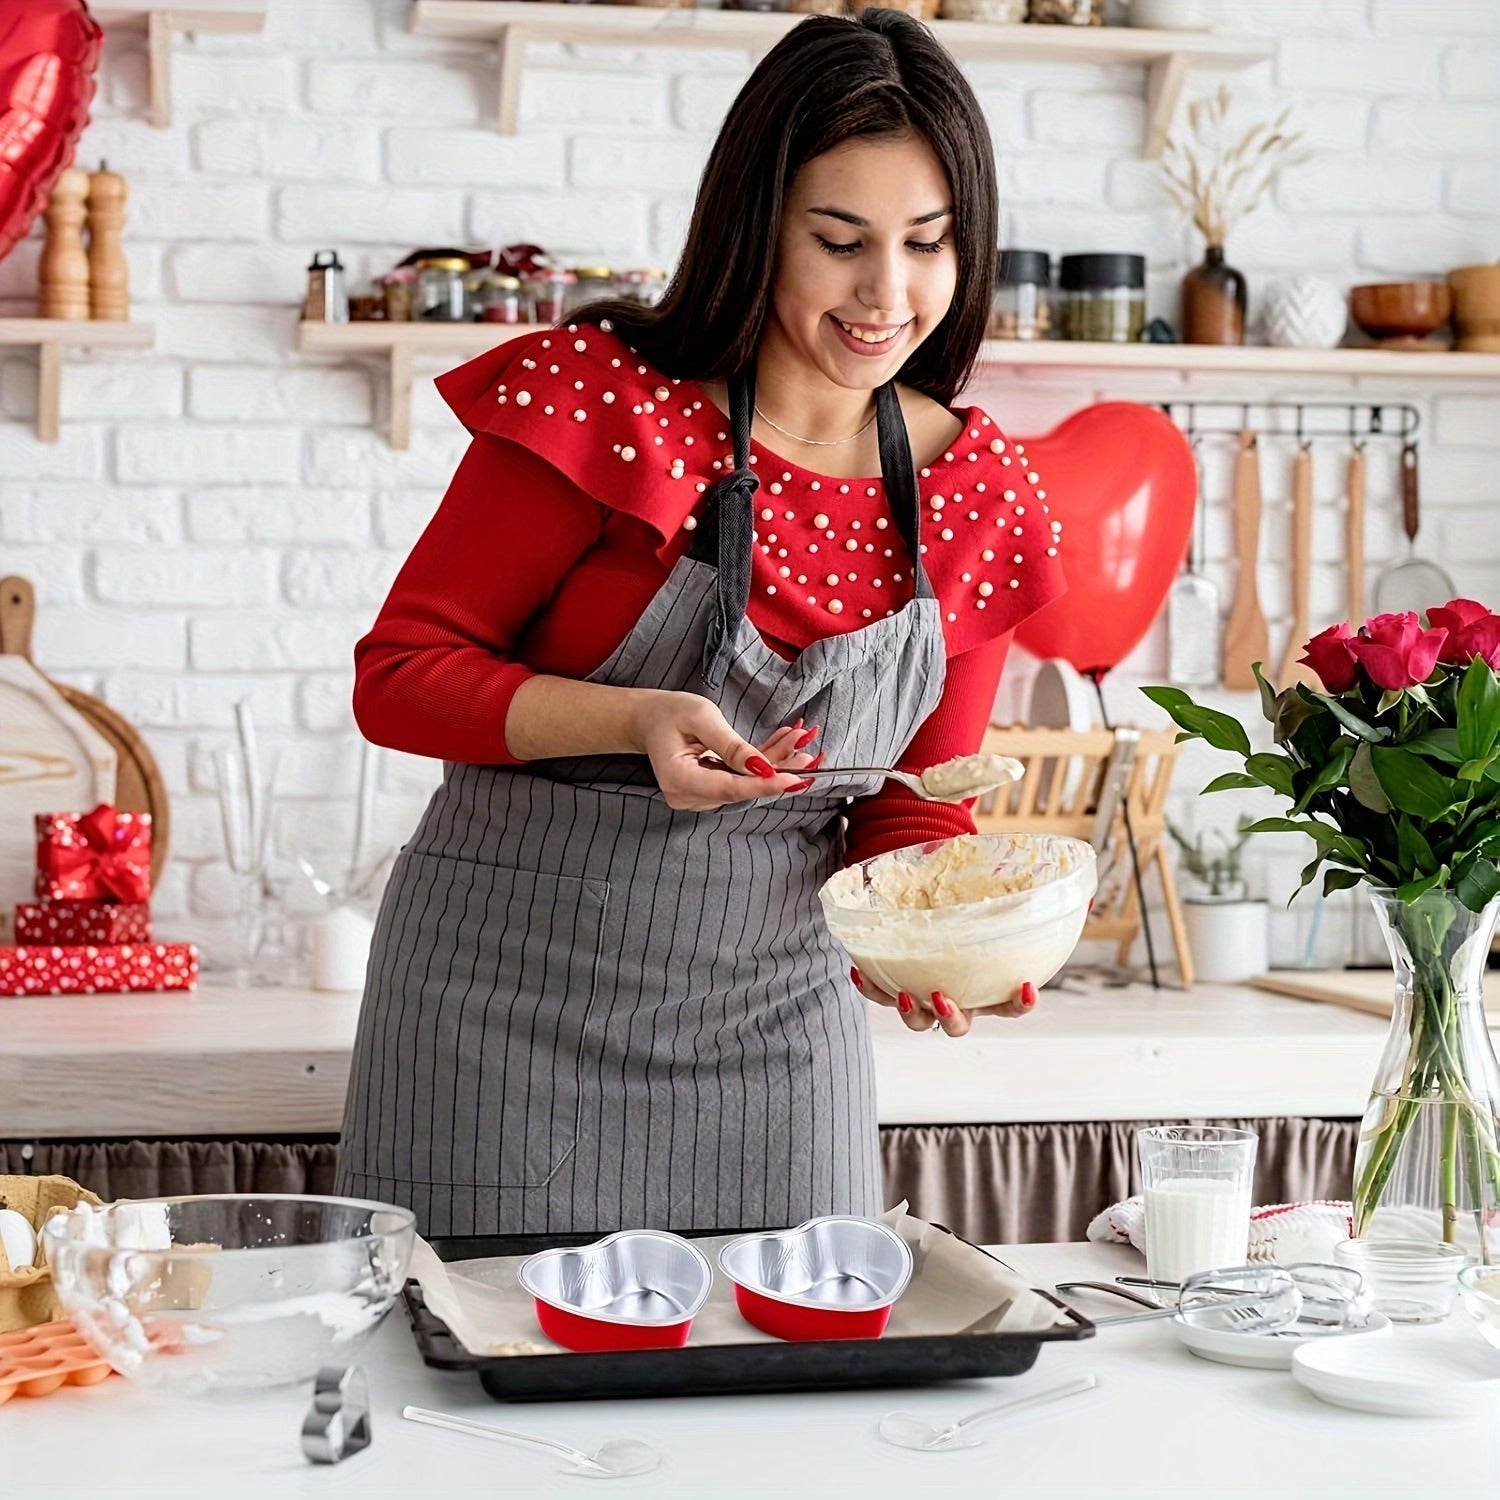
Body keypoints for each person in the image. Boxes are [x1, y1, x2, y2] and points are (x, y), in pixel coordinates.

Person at [335, 7, 1066, 1239]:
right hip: (499, 1017)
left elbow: (911, 797)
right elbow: (398, 676)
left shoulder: (977, 492)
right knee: (471, 1398)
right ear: (758, 229)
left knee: (797, 1395)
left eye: (928, 245)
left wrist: (935, 942)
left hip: (776, 1034)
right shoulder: (604, 402)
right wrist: (631, 717)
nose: (888, 295)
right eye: (841, 241)